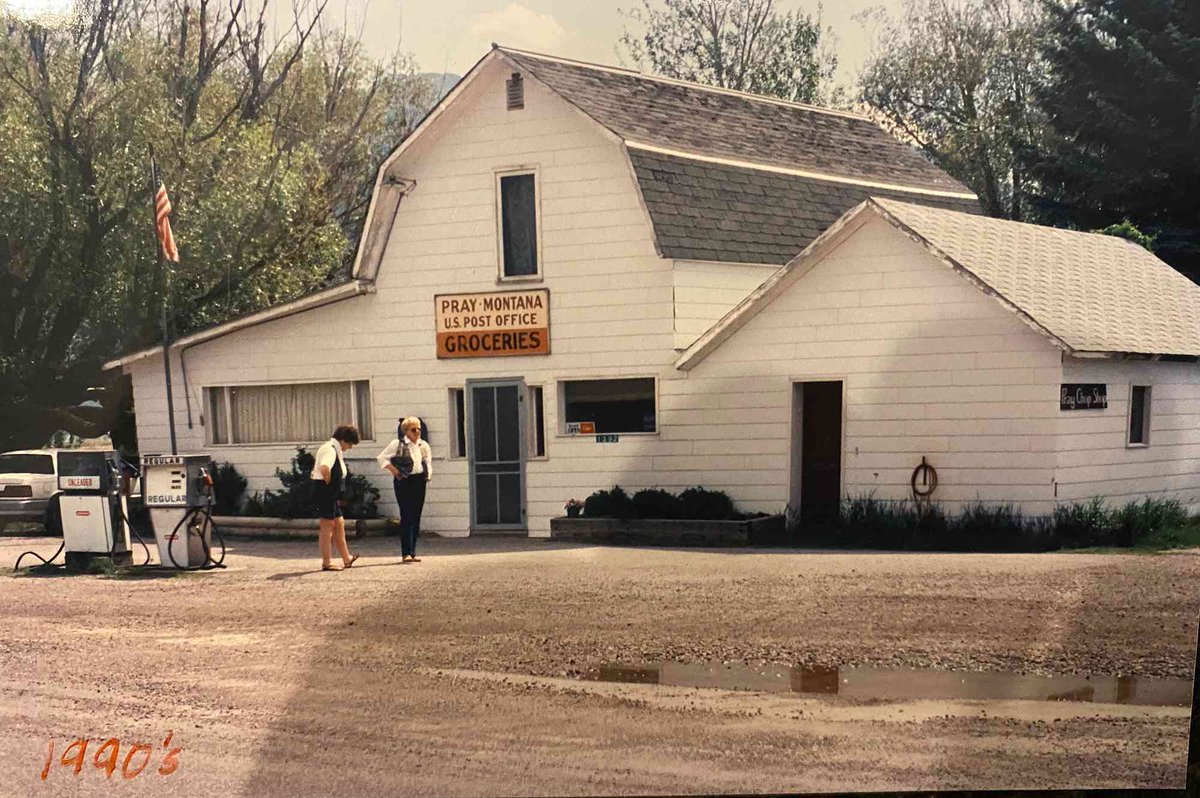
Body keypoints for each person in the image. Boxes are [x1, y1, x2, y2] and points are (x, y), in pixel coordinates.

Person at [377, 417, 432, 563]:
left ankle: (413, 552)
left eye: (419, 428)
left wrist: (428, 475)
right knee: (406, 515)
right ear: (406, 431)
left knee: (416, 515)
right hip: (405, 480)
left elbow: (427, 462)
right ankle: (405, 552)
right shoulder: (397, 444)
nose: (417, 432)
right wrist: (395, 472)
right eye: (413, 429)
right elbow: (382, 458)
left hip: (419, 481)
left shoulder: (423, 445)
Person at [312, 425, 361, 572]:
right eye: (350, 444)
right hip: (326, 492)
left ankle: (347, 558)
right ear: (343, 440)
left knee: (339, 524)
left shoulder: (334, 449)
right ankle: (326, 562)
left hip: (331, 493)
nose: (350, 447)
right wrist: (328, 483)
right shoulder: (330, 449)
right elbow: (325, 468)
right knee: (327, 526)